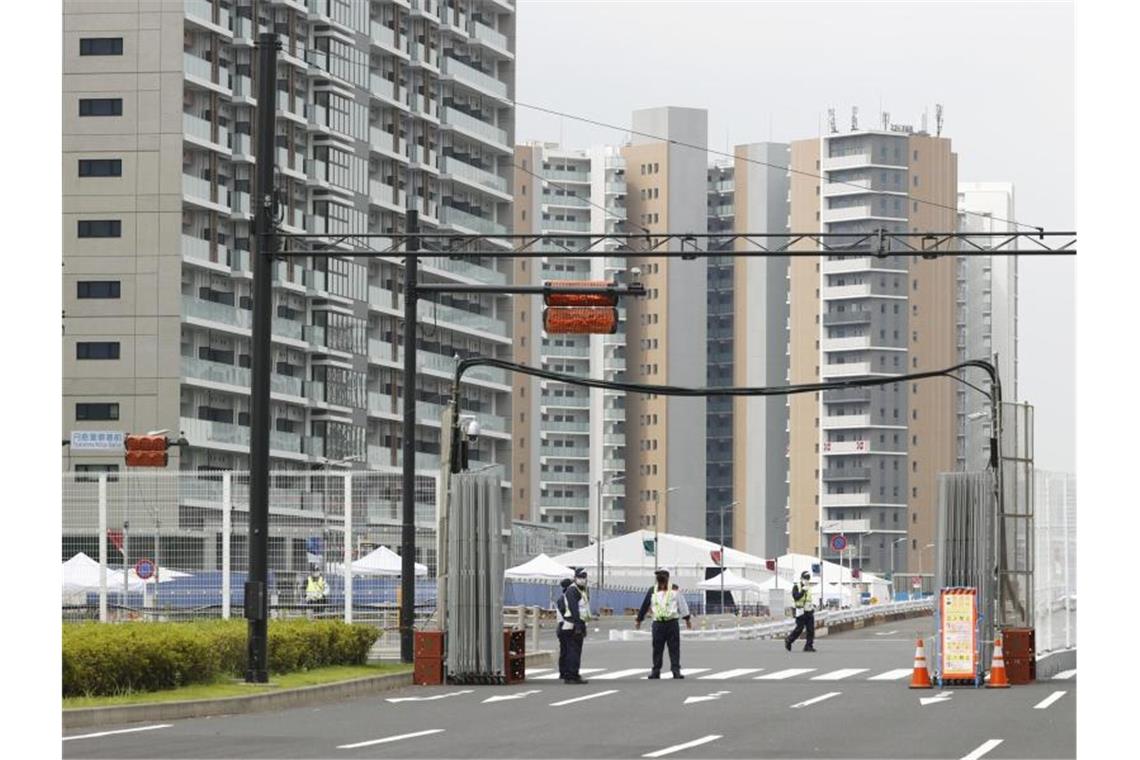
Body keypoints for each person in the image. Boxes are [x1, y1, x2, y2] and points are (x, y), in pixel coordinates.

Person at [635, 568, 693, 679]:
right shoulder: (652, 590)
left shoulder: (674, 589)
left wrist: (687, 619)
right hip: (658, 623)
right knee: (657, 648)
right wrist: (639, 619)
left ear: (667, 577)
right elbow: (645, 605)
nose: (659, 577)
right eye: (658, 575)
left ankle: (676, 670)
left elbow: (682, 604)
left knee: (674, 648)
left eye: (661, 575)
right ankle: (656, 671)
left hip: (672, 623)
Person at [560, 568, 592, 684]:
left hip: (577, 623)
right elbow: (574, 609)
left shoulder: (581, 590)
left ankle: (571, 674)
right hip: (572, 624)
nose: (582, 579)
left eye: (584, 577)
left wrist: (583, 626)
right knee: (573, 651)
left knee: (573, 651)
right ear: (575, 577)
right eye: (580, 577)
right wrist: (578, 626)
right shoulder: (573, 590)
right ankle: (572, 675)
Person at [785, 570, 817, 652]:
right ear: (801, 578)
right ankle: (789, 640)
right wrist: (802, 591)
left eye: (808, 578)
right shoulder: (796, 586)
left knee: (811, 629)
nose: (807, 580)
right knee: (799, 628)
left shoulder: (809, 587)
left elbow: (809, 599)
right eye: (805, 578)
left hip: (809, 610)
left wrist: (812, 608)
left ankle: (808, 646)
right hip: (800, 610)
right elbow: (796, 597)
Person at [554, 576, 574, 680]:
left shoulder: (566, 597)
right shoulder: (564, 599)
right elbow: (565, 613)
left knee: (567, 650)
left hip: (565, 625)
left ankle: (566, 671)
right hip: (564, 625)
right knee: (566, 650)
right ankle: (564, 672)